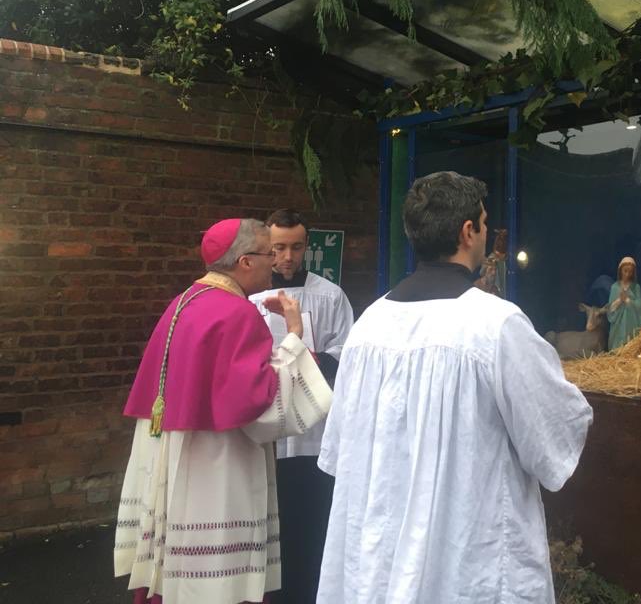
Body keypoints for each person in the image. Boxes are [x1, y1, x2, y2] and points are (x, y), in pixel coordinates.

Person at [316, 171, 593, 604]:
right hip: (468, 559)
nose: (485, 232)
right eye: (484, 223)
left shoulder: (368, 324)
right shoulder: (495, 325)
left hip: (379, 560)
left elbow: (342, 452)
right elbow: (554, 433)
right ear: (469, 231)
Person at [114, 218, 332, 604]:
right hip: (217, 464)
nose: (276, 262)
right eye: (269, 253)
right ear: (245, 261)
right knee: (216, 577)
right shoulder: (235, 313)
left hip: (180, 453)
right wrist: (296, 336)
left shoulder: (184, 301)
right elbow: (263, 409)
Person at [249, 209, 354, 604]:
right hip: (268, 432)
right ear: (266, 248)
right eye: (278, 248)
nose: (287, 257)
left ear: (306, 246)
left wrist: (309, 359)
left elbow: (346, 351)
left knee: (311, 520)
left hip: (314, 432)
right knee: (270, 523)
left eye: (295, 247)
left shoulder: (330, 295)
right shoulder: (253, 299)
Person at [606, 256, 641, 351]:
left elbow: (639, 306)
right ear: (620, 271)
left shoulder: (636, 287)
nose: (627, 274)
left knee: (631, 342)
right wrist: (619, 300)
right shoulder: (614, 287)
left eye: (630, 271)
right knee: (618, 347)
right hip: (618, 325)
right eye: (625, 271)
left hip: (632, 322)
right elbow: (610, 308)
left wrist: (628, 300)